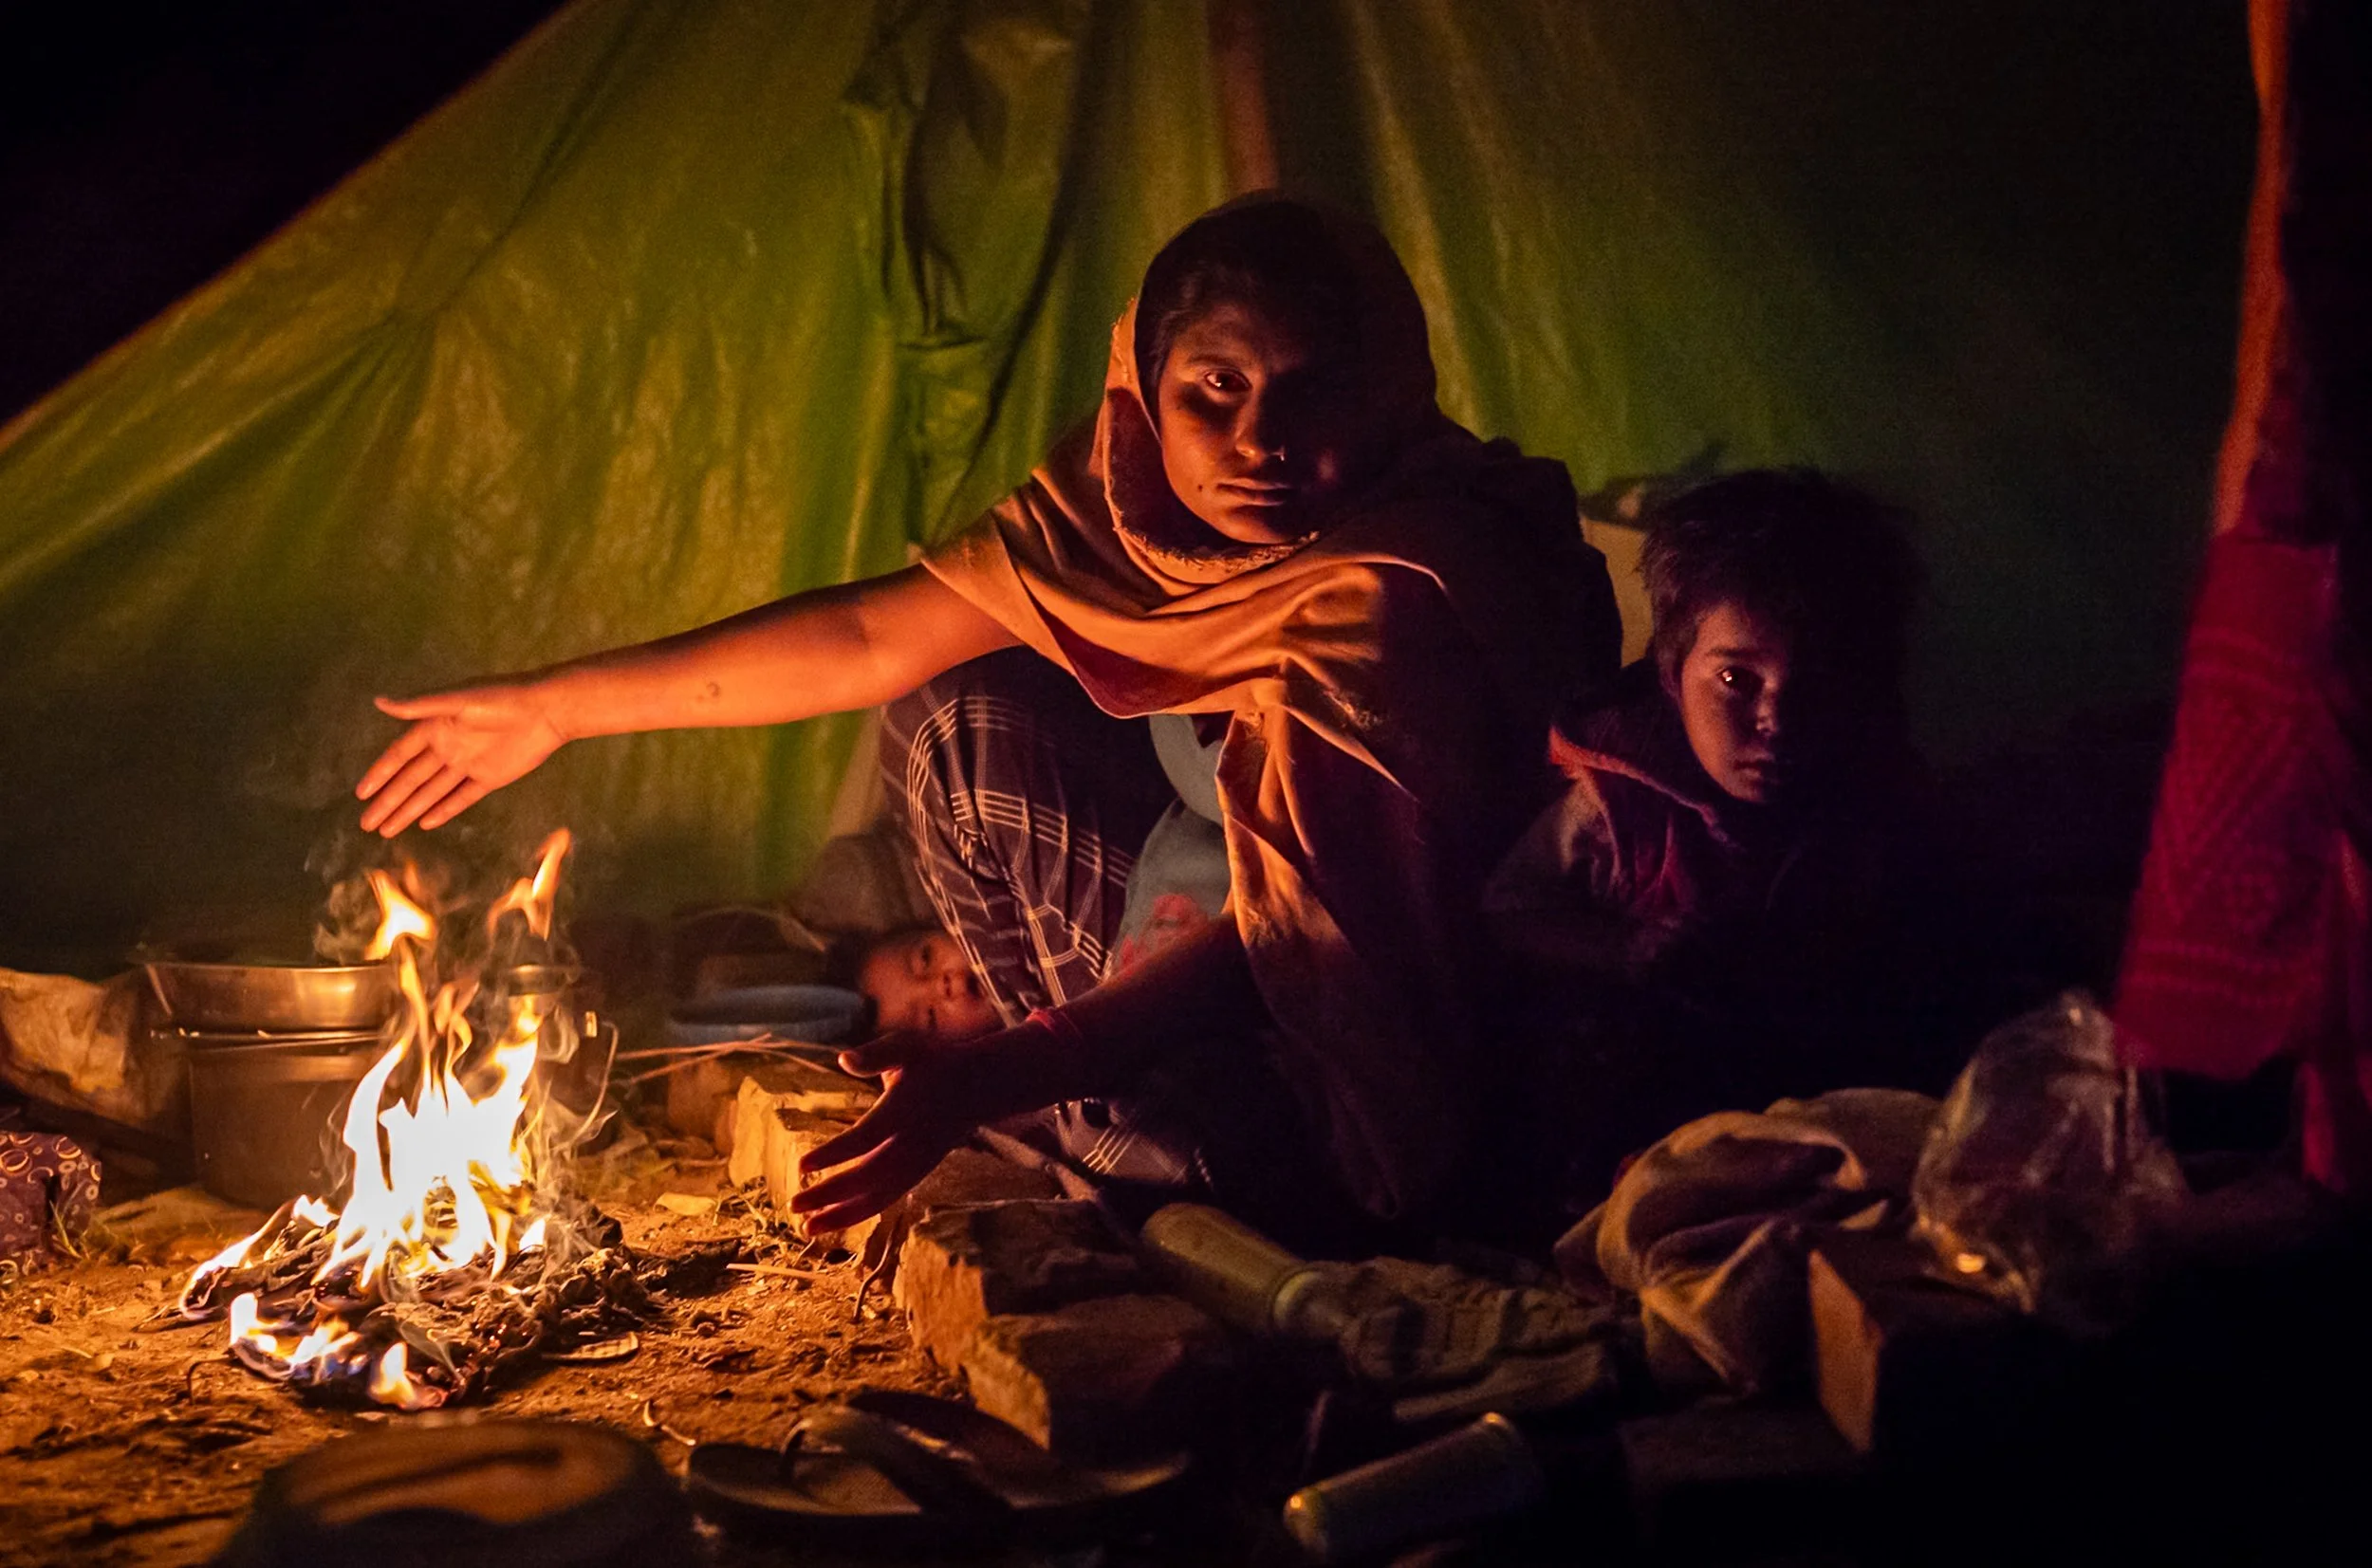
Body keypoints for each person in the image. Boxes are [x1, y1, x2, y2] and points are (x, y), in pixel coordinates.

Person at [356, 195, 1620, 1237]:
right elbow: (872, 634)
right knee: (956, 708)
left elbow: (1298, 941)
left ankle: (1100, 1124)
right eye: (1214, 387)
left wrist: (1015, 1067)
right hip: (1174, 944)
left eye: (1314, 392)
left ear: (1395, 394)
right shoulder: (1130, 510)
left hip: (1374, 1049)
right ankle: (1055, 1098)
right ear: (1145, 383)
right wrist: (557, 710)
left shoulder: (1406, 587)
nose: (1258, 442)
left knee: (1152, 1144)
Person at [1484, 468, 1939, 1207]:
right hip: (1646, 1102)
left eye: (1817, 684)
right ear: (1672, 673)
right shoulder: (1616, 805)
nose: (1777, 720)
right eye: (1736, 679)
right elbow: (1508, 911)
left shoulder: (1878, 793)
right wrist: (1625, 949)